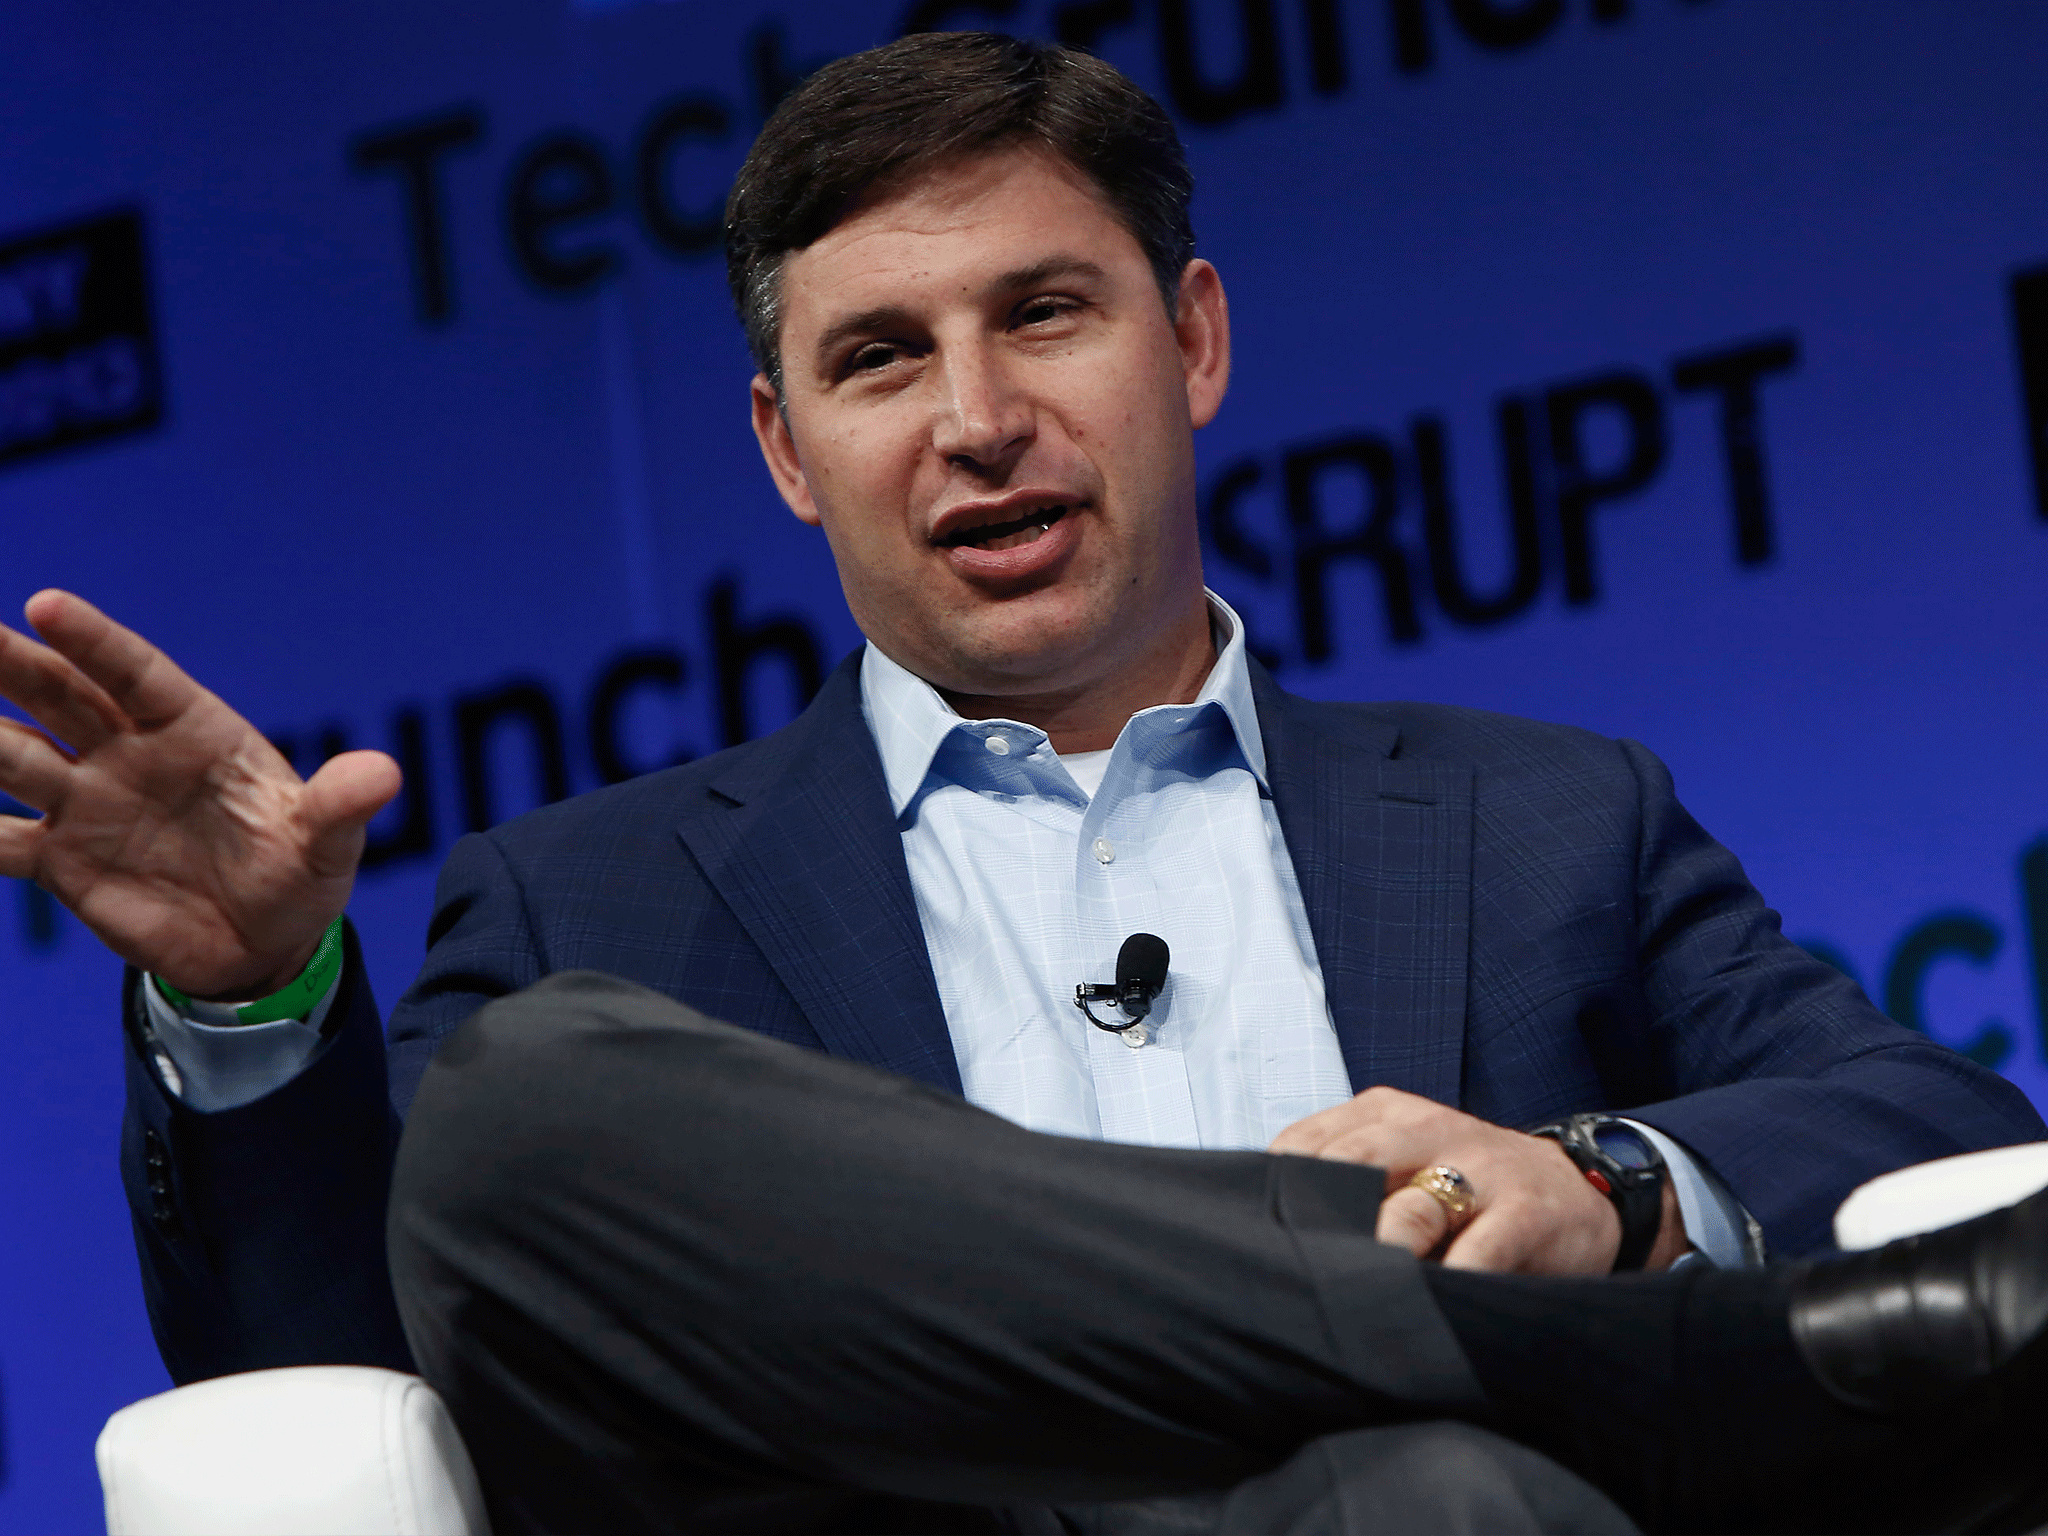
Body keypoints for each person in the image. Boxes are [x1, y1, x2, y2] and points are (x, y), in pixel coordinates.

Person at [0, 29, 2042, 1535]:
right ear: (788, 453)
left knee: (1427, 1490)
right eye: (879, 360)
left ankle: (1495, 1380)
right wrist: (257, 1002)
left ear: (1195, 343)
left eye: (1043, 315)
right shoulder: (581, 898)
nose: (975, 420)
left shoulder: (1547, 820)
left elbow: (1932, 1125)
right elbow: (355, 1389)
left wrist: (1598, 1182)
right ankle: (1609, 1372)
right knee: (522, 1111)